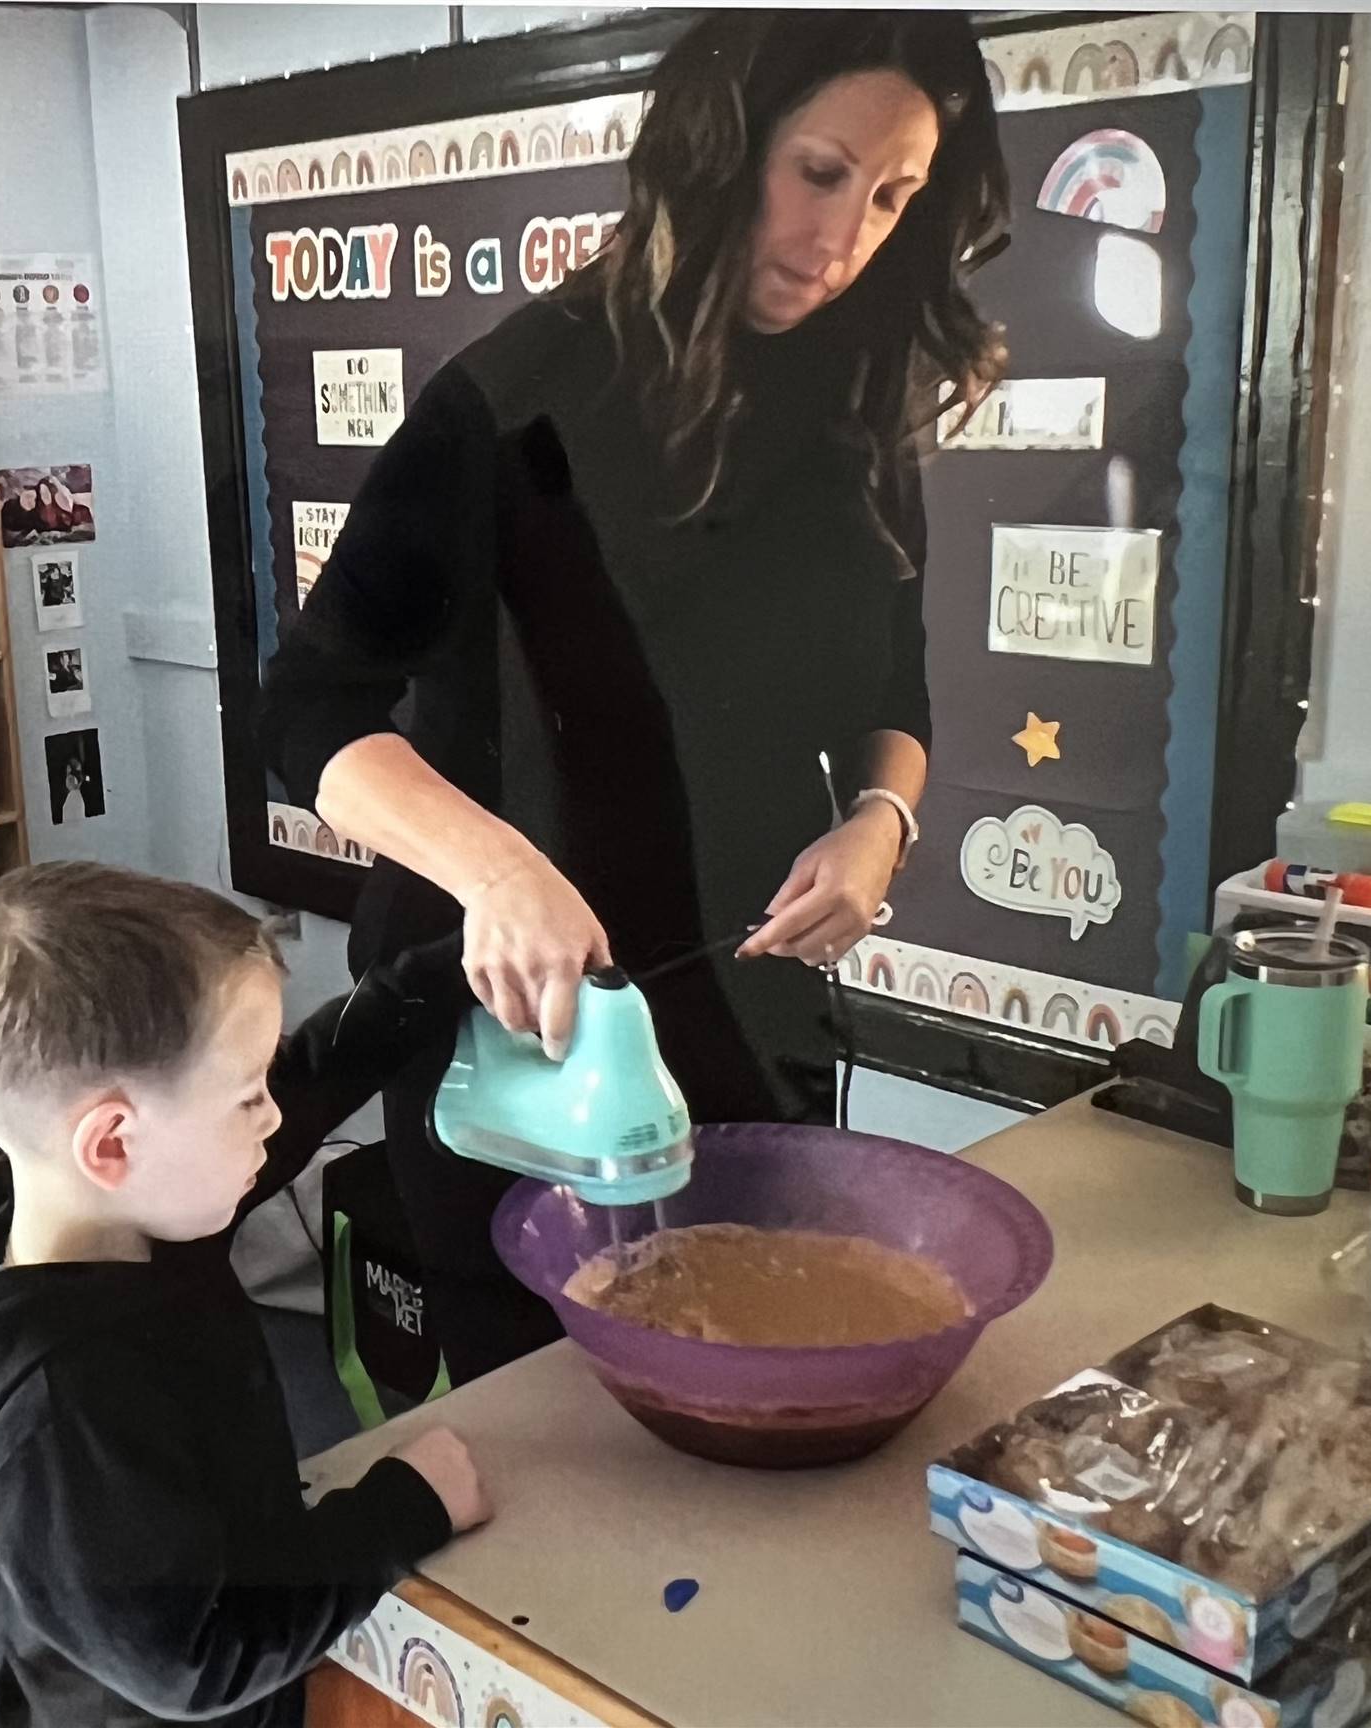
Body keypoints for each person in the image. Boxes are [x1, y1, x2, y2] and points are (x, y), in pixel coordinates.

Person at [262, 11, 1009, 1381]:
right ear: (720, 151)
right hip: (520, 1032)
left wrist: (882, 825)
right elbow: (309, 711)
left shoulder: (860, 403)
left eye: (896, 196)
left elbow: (891, 689)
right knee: (556, 1432)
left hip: (749, 1009)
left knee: (758, 1374)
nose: (847, 238)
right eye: (821, 172)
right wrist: (495, 870)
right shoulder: (518, 398)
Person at [0, 863, 488, 1728]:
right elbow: (194, 1659)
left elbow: (312, 1080)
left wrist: (461, 963)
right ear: (113, 1142)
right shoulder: (61, 1417)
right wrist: (403, 1508)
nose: (273, 1118)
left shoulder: (130, 1210)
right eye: (245, 1098)